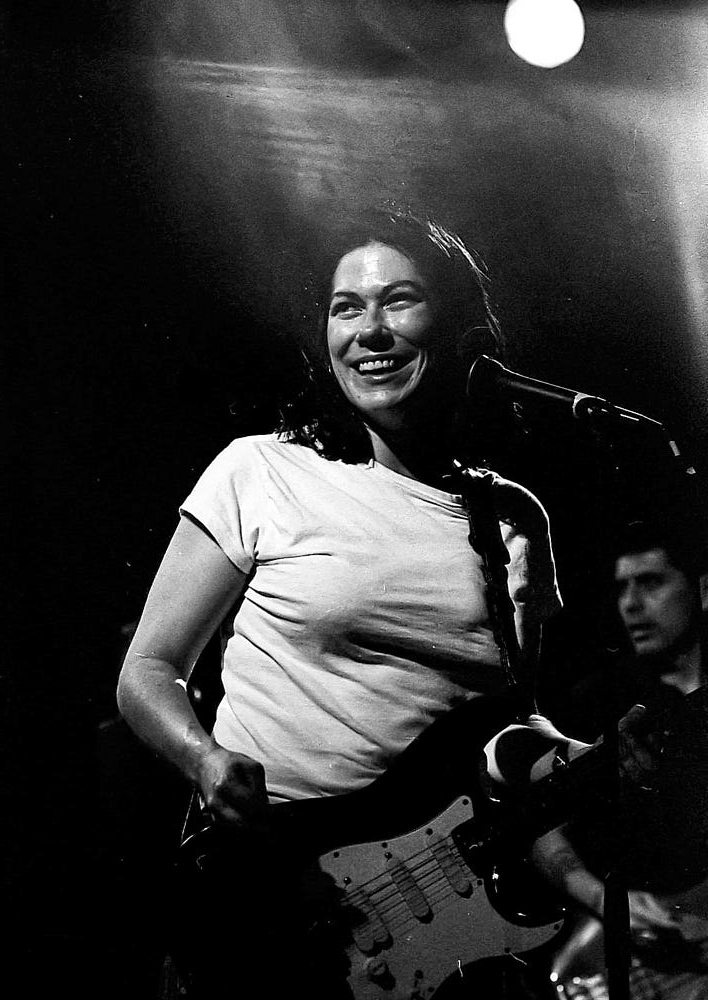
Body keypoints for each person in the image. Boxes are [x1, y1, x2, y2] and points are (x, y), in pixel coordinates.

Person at [116, 206, 563, 999]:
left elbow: (512, 722)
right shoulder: (260, 471)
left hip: (439, 913)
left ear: (457, 324)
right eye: (346, 308)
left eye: (399, 300)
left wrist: (591, 758)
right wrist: (205, 759)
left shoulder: (511, 517)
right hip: (274, 897)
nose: (370, 331)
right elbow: (147, 669)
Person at [530, 519, 708, 1000]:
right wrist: (609, 906)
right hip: (623, 963)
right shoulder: (599, 700)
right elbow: (539, 818)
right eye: (622, 588)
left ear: (703, 590)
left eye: (650, 582)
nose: (630, 604)